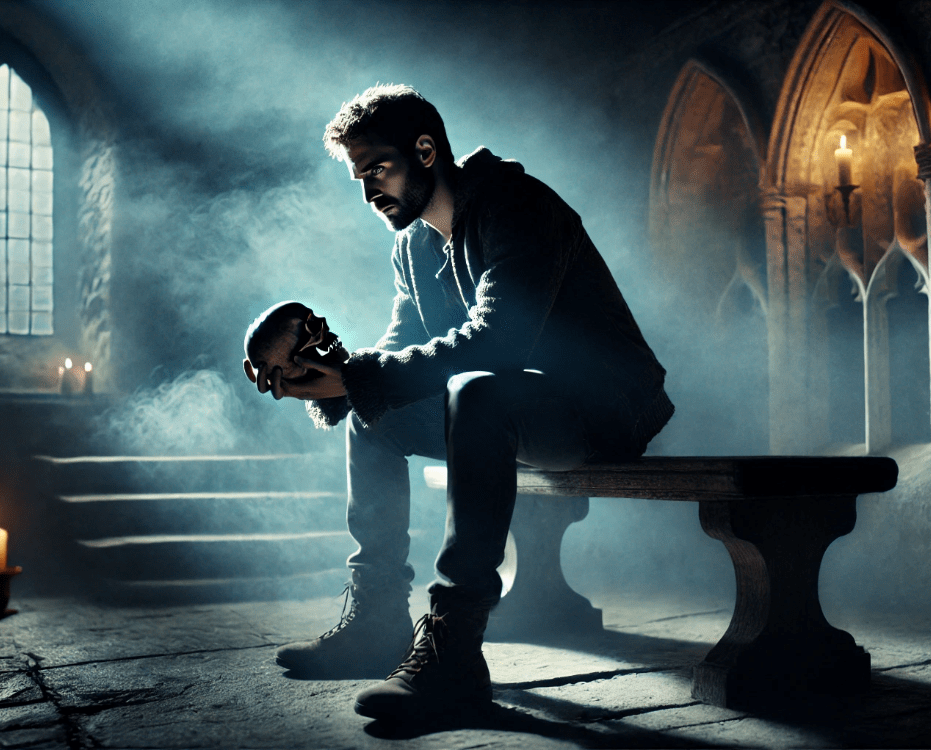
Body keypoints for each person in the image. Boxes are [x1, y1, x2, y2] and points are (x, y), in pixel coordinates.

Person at [247, 84, 673, 721]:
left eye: (377, 170)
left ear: (425, 150)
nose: (369, 193)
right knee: (375, 412)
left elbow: (499, 340)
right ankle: (377, 622)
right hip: (516, 411)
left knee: (473, 388)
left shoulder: (517, 204)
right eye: (359, 179)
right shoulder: (413, 246)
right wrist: (320, 375)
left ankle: (454, 648)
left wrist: (361, 377)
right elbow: (397, 355)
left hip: (607, 407)